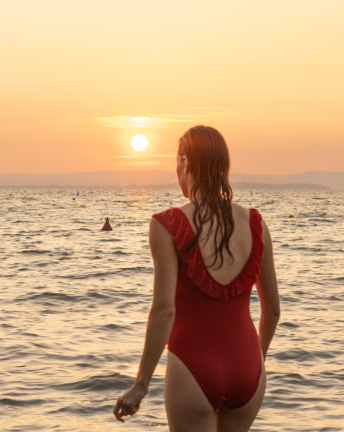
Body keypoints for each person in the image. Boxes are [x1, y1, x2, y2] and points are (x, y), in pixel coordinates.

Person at [113, 125, 281, 431]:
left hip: (193, 367)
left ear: (184, 162)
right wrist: (257, 363)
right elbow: (273, 311)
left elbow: (164, 310)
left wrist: (141, 383)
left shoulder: (167, 225)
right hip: (249, 367)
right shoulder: (256, 224)